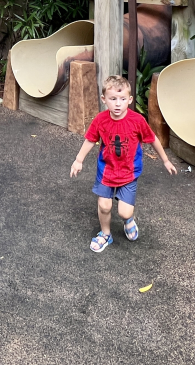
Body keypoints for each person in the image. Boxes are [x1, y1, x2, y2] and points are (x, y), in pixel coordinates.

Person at [69, 74, 177, 253]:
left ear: (130, 99)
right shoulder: (100, 120)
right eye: (112, 99)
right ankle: (105, 234)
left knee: (124, 212)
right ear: (104, 100)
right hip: (106, 170)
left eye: (122, 99)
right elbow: (90, 139)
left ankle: (129, 221)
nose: (117, 104)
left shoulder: (137, 121)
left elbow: (152, 139)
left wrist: (165, 160)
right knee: (104, 206)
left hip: (129, 172)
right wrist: (78, 160)